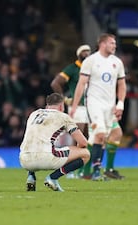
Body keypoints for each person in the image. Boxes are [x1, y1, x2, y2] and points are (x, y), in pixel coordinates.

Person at [70, 33, 126, 180]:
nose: (114, 46)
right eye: (111, 43)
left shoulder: (117, 63)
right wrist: (74, 106)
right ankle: (96, 171)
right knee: (100, 134)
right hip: (94, 104)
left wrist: (120, 104)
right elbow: (81, 84)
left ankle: (86, 170)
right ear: (102, 44)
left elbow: (121, 84)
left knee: (107, 135)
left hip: (110, 106)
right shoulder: (91, 61)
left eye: (115, 43)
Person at [19, 93, 90, 192]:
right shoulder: (63, 116)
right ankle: (53, 178)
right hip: (46, 158)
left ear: (47, 106)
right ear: (61, 106)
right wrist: (76, 152)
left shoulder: (34, 114)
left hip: (24, 160)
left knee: (35, 141)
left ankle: (31, 176)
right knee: (85, 154)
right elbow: (83, 143)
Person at [50, 44, 92, 179]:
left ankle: (83, 169)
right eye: (84, 51)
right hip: (78, 107)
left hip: (92, 106)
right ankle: (70, 169)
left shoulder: (92, 68)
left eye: (88, 52)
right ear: (78, 54)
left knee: (89, 138)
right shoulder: (73, 68)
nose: (86, 53)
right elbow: (55, 83)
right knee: (78, 138)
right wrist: (63, 99)